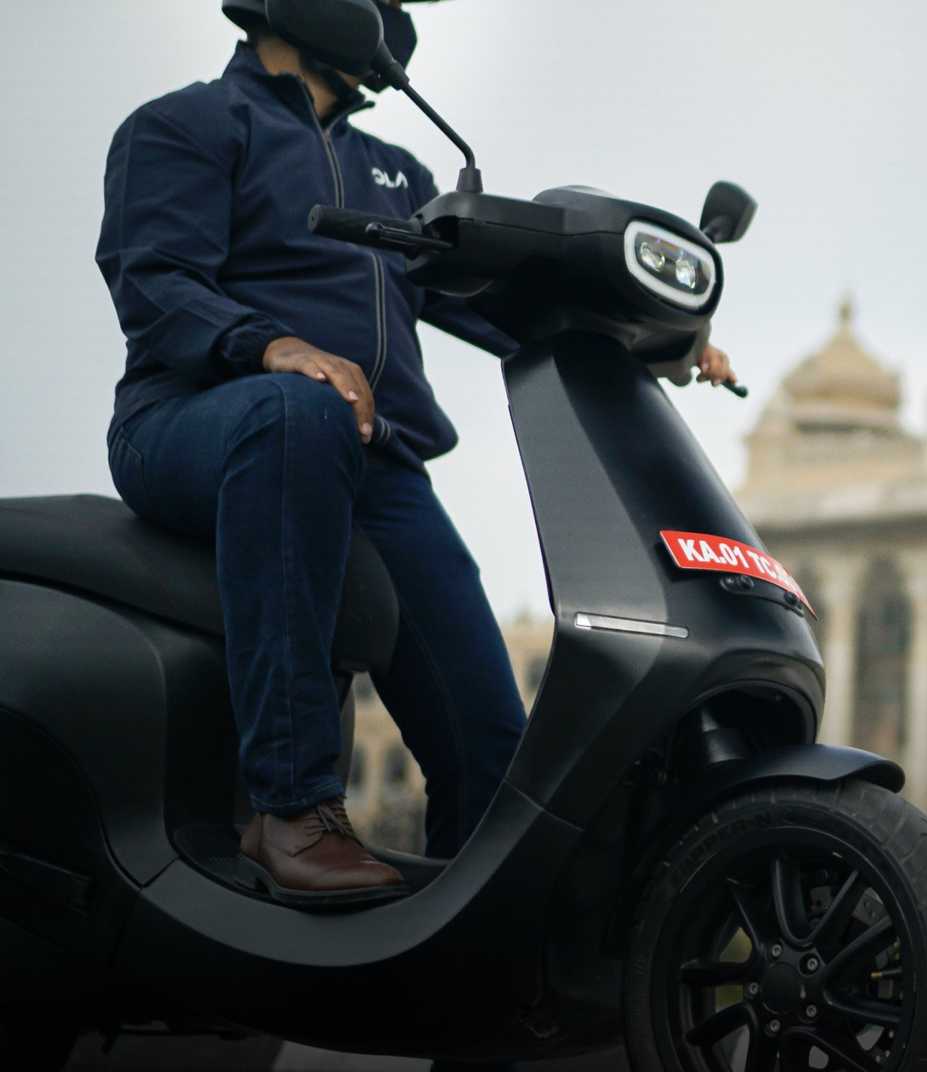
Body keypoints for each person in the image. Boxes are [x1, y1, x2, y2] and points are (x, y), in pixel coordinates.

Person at [96, 0, 735, 908]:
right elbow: (155, 281)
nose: (393, 20)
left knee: (493, 755)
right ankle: (292, 810)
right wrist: (274, 347)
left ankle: (477, 1013)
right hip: (196, 421)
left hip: (372, 466)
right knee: (298, 414)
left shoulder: (395, 173)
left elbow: (506, 308)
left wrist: (651, 338)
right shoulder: (188, 124)